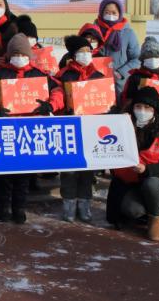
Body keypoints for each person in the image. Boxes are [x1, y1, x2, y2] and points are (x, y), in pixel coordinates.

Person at [0, 34, 63, 224]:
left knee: (24, 174)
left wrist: (50, 105)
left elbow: (58, 91)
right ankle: (2, 207)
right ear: (9, 55)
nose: (19, 58)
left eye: (22, 54)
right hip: (6, 129)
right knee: (4, 173)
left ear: (29, 55)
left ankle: (19, 207)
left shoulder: (39, 74)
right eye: (15, 54)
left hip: (30, 130)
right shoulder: (1, 74)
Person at [106, 86, 159, 241]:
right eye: (138, 106)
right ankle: (143, 212)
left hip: (156, 182)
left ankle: (155, 220)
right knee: (133, 210)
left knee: (151, 183)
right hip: (128, 183)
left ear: (155, 110)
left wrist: (146, 169)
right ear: (132, 107)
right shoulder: (123, 126)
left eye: (147, 108)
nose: (142, 111)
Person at [56, 35, 106, 223]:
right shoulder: (63, 76)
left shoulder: (99, 76)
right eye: (81, 51)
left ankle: (84, 203)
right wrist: (63, 108)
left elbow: (106, 100)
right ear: (73, 55)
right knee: (69, 168)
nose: (86, 54)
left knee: (87, 168)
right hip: (69, 128)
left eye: (88, 51)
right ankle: (68, 204)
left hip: (91, 129)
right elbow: (57, 96)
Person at [94, 0, 140, 94]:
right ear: (101, 13)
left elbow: (137, 59)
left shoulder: (128, 33)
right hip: (96, 83)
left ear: (119, 14)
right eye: (107, 12)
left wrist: (121, 72)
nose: (110, 15)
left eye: (114, 13)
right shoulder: (93, 31)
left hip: (120, 85)